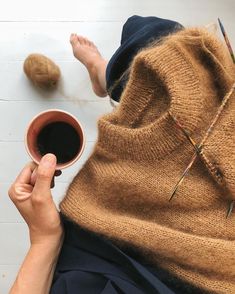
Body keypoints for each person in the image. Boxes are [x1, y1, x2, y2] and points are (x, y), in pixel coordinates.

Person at [8, 15, 235, 294]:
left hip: (99, 244)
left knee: (151, 54)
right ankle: (103, 74)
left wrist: (44, 239)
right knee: (165, 51)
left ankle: (102, 73)